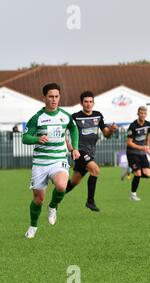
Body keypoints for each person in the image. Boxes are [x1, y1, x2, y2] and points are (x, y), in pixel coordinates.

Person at [22, 83, 80, 238]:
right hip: (40, 162)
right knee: (38, 199)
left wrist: (74, 148)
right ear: (44, 97)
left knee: (61, 185)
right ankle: (33, 226)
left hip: (58, 159)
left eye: (56, 96)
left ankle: (53, 206)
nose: (54, 100)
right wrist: (36, 138)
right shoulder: (37, 118)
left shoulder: (65, 116)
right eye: (50, 96)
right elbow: (25, 138)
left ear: (59, 97)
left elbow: (73, 129)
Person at [65, 91, 118, 212]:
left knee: (74, 182)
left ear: (93, 103)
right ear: (81, 103)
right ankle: (90, 201)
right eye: (86, 102)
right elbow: (64, 131)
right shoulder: (75, 117)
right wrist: (69, 145)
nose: (88, 104)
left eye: (90, 102)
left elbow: (106, 134)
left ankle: (55, 199)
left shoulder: (98, 116)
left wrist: (111, 130)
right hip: (79, 152)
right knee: (95, 169)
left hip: (91, 152)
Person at [126, 106, 150, 201]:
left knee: (148, 173)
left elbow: (148, 137)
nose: (143, 115)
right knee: (138, 173)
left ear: (146, 114)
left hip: (142, 153)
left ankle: (130, 169)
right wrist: (142, 147)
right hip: (132, 152)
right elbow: (129, 142)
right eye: (141, 113)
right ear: (138, 114)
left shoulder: (148, 124)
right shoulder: (132, 126)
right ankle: (133, 195)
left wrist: (148, 148)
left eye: (144, 114)